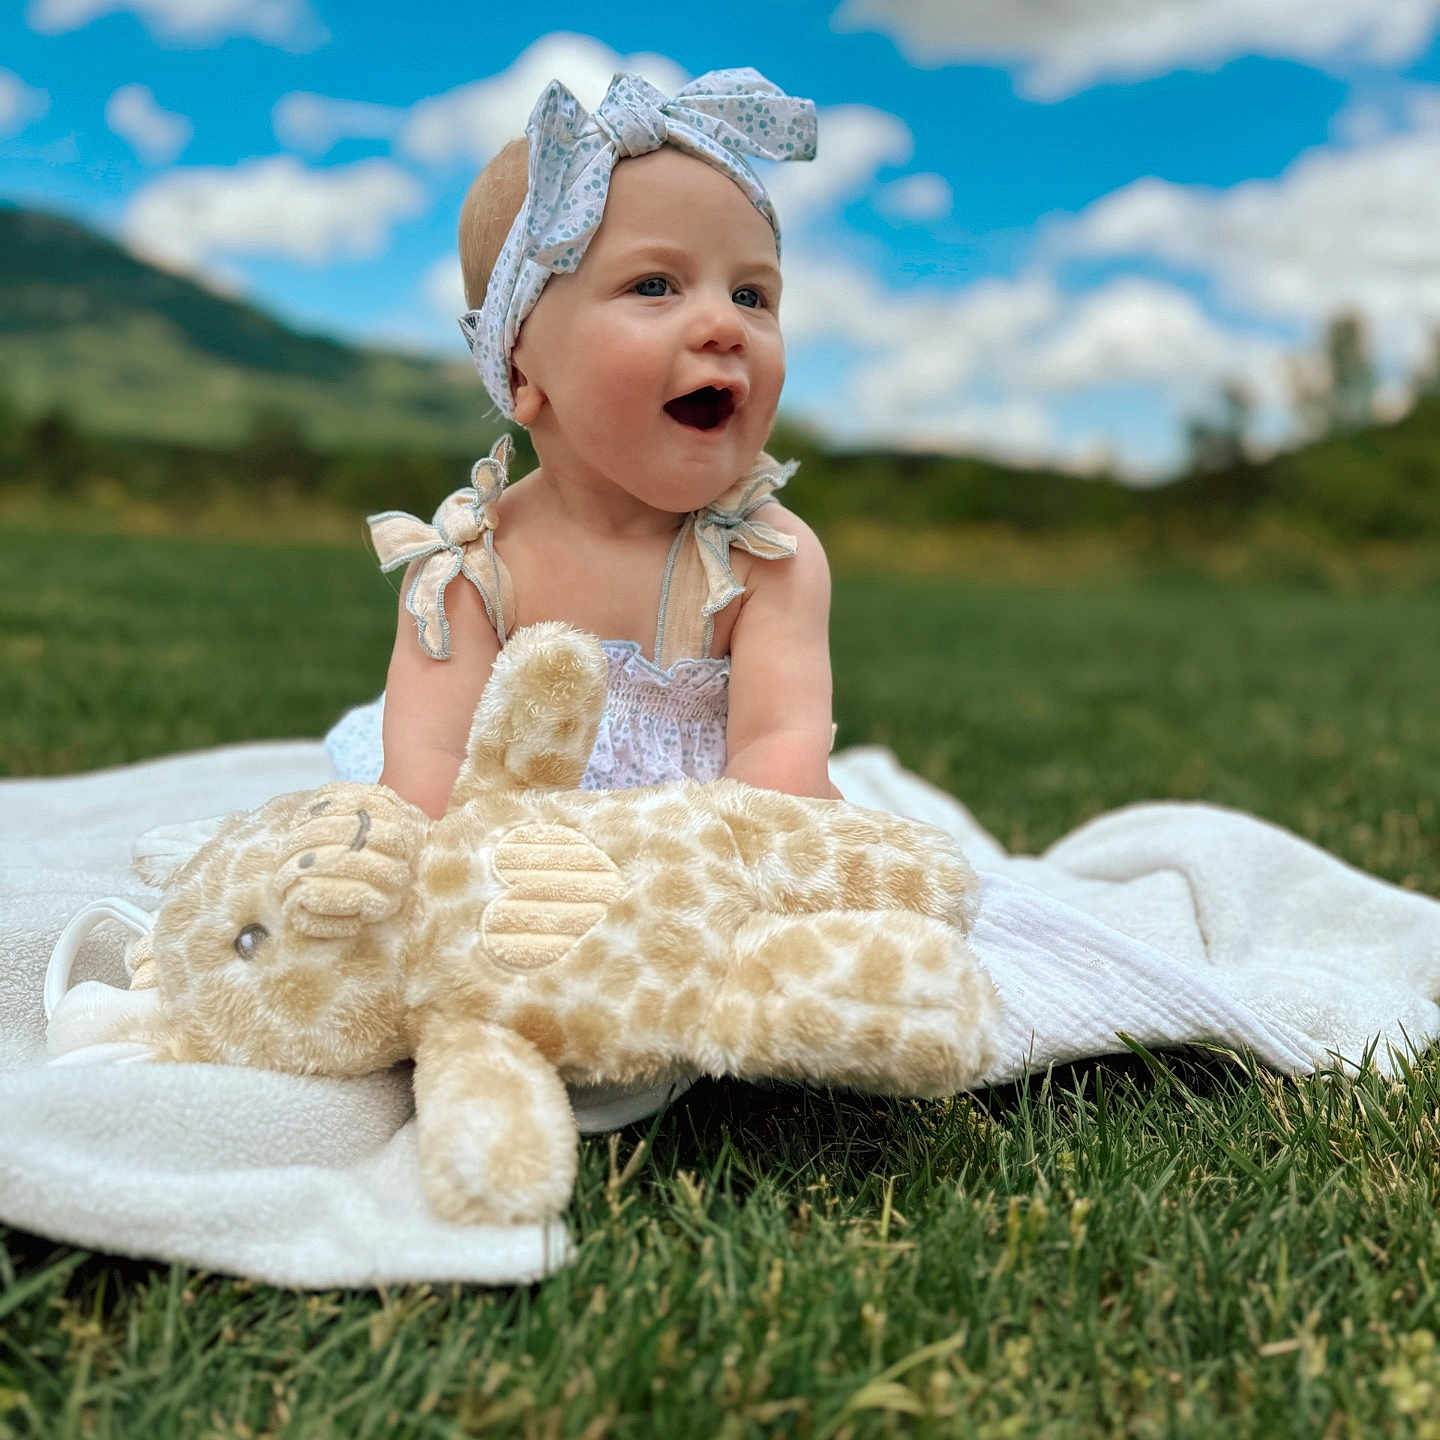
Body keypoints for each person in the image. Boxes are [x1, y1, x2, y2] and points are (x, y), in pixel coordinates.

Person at [325, 68, 840, 815]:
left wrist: (713, 885)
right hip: (506, 847)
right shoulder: (474, 569)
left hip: (705, 850)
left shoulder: (765, 560)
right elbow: (429, 776)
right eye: (655, 285)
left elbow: (780, 759)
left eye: (751, 294)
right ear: (520, 369)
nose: (726, 326)